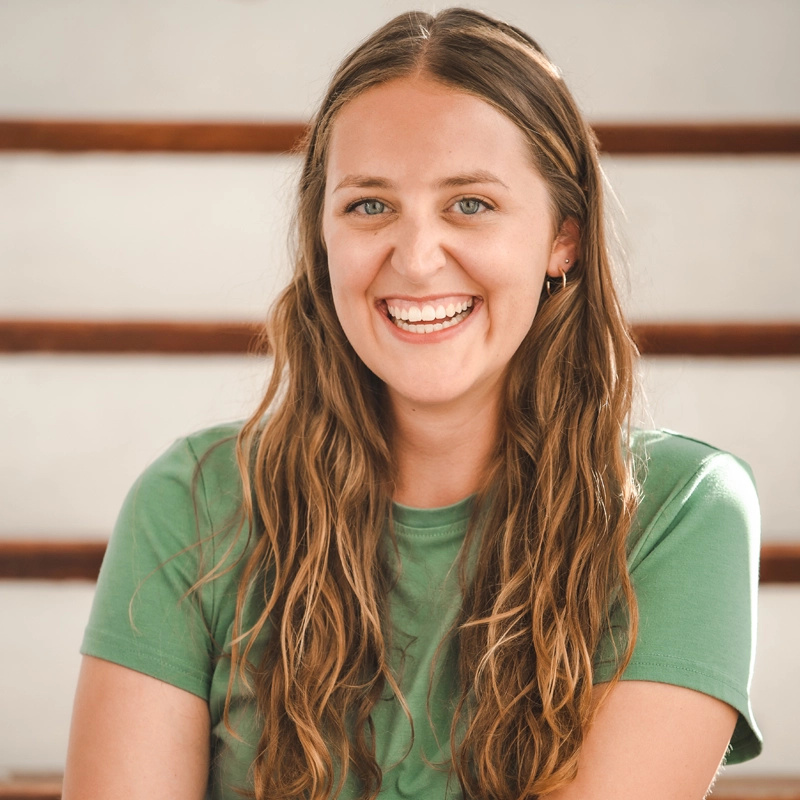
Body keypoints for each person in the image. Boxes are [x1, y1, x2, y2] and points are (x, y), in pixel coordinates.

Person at [63, 8, 761, 800]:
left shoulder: (680, 511)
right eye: (370, 205)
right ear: (322, 237)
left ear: (562, 238)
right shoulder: (191, 503)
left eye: (471, 204)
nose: (419, 259)